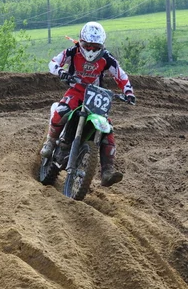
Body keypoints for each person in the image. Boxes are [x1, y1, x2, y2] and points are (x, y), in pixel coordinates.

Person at [40, 21, 136, 187]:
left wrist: (128, 92)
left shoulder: (107, 58)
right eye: (88, 46)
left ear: (101, 45)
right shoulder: (72, 52)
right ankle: (50, 142)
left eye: (95, 47)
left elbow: (121, 76)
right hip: (76, 91)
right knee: (61, 111)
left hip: (95, 96)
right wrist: (61, 71)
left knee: (108, 129)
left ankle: (107, 171)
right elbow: (52, 63)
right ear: (81, 42)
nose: (91, 50)